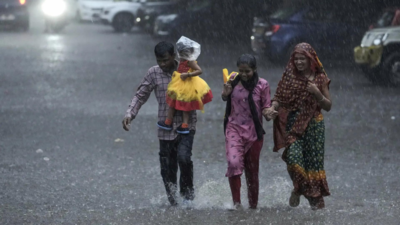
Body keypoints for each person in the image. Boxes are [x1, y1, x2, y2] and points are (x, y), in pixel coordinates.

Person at [122, 41, 197, 206]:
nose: (162, 64)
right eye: (159, 61)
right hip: (166, 126)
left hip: (186, 124)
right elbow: (140, 95)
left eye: (165, 60)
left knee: (184, 159)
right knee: (167, 166)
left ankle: (188, 197)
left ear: (173, 56)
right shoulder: (153, 73)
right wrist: (130, 114)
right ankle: (172, 199)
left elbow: (199, 90)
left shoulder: (187, 69)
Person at [263, 43, 332, 210]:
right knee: (293, 159)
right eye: (296, 59)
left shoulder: (320, 78)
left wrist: (316, 92)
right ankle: (298, 188)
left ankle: (315, 205)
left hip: (314, 125)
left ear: (310, 60)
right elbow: (279, 97)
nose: (299, 62)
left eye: (303, 59)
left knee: (312, 165)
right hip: (294, 124)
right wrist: (272, 109)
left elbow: (328, 106)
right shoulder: (290, 76)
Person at [221, 54, 272, 209]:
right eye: (241, 70)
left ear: (254, 69)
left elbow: (266, 107)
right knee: (233, 163)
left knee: (252, 172)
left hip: (254, 133)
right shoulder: (233, 80)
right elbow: (224, 98)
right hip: (233, 129)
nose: (244, 74)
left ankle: (253, 206)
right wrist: (226, 92)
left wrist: (269, 113)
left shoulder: (262, 85)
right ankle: (237, 205)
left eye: (247, 71)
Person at [157, 36, 213, 134]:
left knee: (186, 107)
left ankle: (185, 125)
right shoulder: (182, 61)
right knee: (172, 103)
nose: (182, 56)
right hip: (178, 84)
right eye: (181, 53)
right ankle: (168, 121)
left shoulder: (190, 62)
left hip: (187, 85)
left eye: (184, 53)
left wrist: (188, 74)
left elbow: (199, 71)